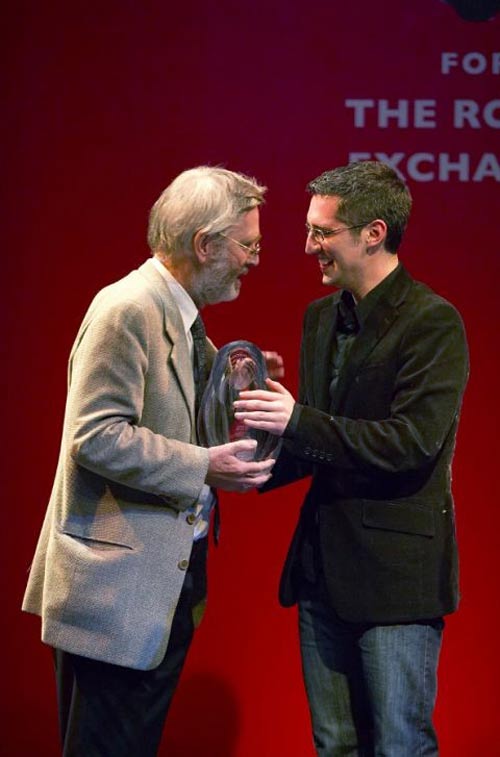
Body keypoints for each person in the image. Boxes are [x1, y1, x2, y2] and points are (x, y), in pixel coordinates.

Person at [22, 166, 281, 756]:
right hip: (114, 592)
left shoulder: (181, 316)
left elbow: (171, 410)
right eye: (248, 244)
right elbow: (96, 435)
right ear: (204, 244)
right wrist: (203, 466)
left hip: (153, 586)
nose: (255, 259)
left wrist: (232, 382)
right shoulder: (127, 309)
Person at [233, 161, 469, 755]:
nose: (307, 245)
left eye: (322, 232)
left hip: (395, 580)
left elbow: (410, 443)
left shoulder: (433, 322)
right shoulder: (320, 317)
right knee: (334, 744)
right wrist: (243, 459)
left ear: (373, 233)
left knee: (398, 745)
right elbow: (316, 439)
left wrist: (297, 420)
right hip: (322, 573)